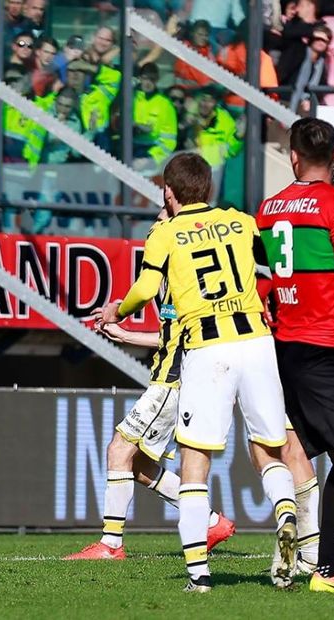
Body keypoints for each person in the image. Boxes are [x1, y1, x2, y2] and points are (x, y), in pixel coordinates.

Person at [100, 153, 298, 592]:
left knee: (195, 463)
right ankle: (286, 517)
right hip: (257, 341)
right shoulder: (242, 221)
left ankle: (199, 576)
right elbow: (276, 267)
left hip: (208, 349)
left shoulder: (165, 233)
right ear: (208, 189)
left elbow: (148, 288)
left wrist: (119, 308)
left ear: (168, 192)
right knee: (269, 450)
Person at [64, 206, 236, 561]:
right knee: (138, 464)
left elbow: (182, 336)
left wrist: (122, 320)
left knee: (118, 449)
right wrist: (125, 332)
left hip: (172, 379)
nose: (154, 227)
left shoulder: (178, 272)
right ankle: (211, 521)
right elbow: (169, 332)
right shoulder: (171, 273)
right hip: (171, 374)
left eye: (160, 220)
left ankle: (111, 545)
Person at [256, 119, 334, 593]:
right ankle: (327, 569)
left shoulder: (268, 208)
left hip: (286, 346)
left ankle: (329, 568)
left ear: (293, 155)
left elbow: (263, 286)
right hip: (329, 346)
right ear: (333, 157)